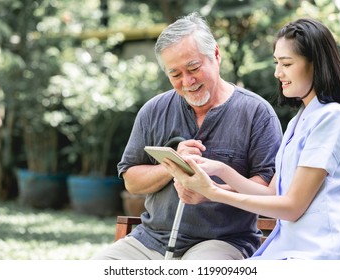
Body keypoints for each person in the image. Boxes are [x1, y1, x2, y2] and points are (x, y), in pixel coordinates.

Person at [162, 18, 340, 260]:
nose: (278, 73)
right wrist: (219, 172)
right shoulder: (301, 120)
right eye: (277, 62)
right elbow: (271, 193)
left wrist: (214, 193)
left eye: (287, 63)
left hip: (320, 256)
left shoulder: (332, 118)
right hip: (291, 251)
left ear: (316, 64)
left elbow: (291, 207)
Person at [91, 12, 282, 260]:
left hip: (222, 242)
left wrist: (212, 190)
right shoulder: (153, 111)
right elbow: (131, 180)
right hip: (150, 240)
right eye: (175, 75)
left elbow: (267, 188)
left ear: (216, 55)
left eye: (193, 68)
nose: (187, 81)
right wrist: (171, 166)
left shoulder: (256, 113)